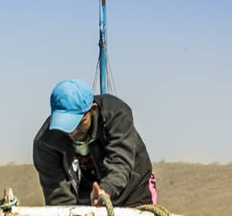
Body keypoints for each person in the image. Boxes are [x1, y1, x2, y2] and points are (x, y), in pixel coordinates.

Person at [32, 79, 157, 207]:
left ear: (92, 110)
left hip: (133, 192)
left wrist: (105, 191)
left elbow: (120, 163)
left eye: (79, 123)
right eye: (65, 125)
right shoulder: (45, 143)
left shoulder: (116, 115)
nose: (73, 132)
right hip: (85, 201)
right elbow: (58, 196)